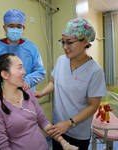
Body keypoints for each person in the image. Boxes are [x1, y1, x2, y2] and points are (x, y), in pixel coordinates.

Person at [34, 18, 107, 150]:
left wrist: (69, 123)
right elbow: (54, 81)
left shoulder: (95, 71)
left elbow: (93, 106)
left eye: (69, 43)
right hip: (58, 126)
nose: (65, 47)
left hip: (78, 132)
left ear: (85, 42)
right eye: (63, 42)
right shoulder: (62, 60)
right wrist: (42, 92)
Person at [0, 53, 78, 150]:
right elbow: (2, 147)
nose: (24, 72)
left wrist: (64, 143)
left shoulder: (27, 92)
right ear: (5, 74)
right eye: (20, 68)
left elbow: (43, 121)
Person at [0, 9, 46, 94]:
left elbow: (40, 72)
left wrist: (26, 81)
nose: (15, 29)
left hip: (24, 94)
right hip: (0, 95)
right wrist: (2, 86)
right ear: (4, 28)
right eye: (11, 26)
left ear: (23, 28)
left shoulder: (31, 47)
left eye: (19, 26)